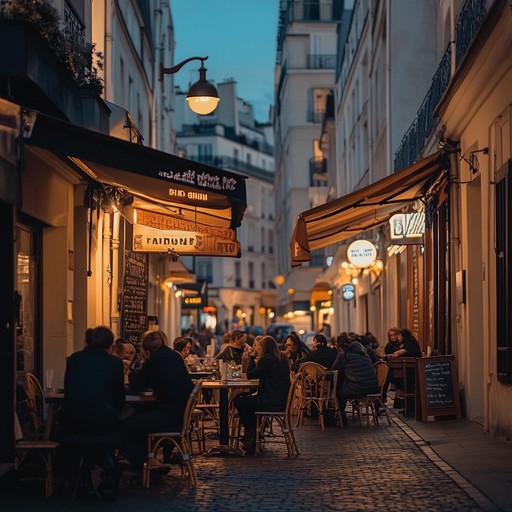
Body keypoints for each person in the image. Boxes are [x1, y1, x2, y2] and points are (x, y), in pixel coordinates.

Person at [61, 326, 126, 497]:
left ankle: (83, 477)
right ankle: (110, 470)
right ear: (111, 345)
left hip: (73, 424)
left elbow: (69, 389)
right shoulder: (114, 363)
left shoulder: (74, 359)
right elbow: (119, 398)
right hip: (104, 424)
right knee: (124, 427)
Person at [122, 330, 194, 474]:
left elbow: (137, 386)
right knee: (137, 417)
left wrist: (129, 372)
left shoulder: (154, 361)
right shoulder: (174, 356)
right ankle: (150, 460)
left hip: (169, 417)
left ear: (145, 349)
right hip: (179, 415)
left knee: (127, 427)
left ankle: (143, 466)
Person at [233, 336, 291, 454]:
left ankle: (251, 432)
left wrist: (252, 356)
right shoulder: (282, 358)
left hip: (269, 401)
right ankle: (254, 432)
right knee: (247, 402)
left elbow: (251, 374)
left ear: (264, 348)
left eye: (259, 347)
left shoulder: (267, 359)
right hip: (281, 400)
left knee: (239, 400)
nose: (257, 349)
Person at [332, 333, 378, 425]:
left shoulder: (344, 354)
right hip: (372, 387)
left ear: (340, 346)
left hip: (359, 388)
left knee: (337, 391)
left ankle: (341, 417)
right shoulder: (363, 351)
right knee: (344, 383)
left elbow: (335, 369)